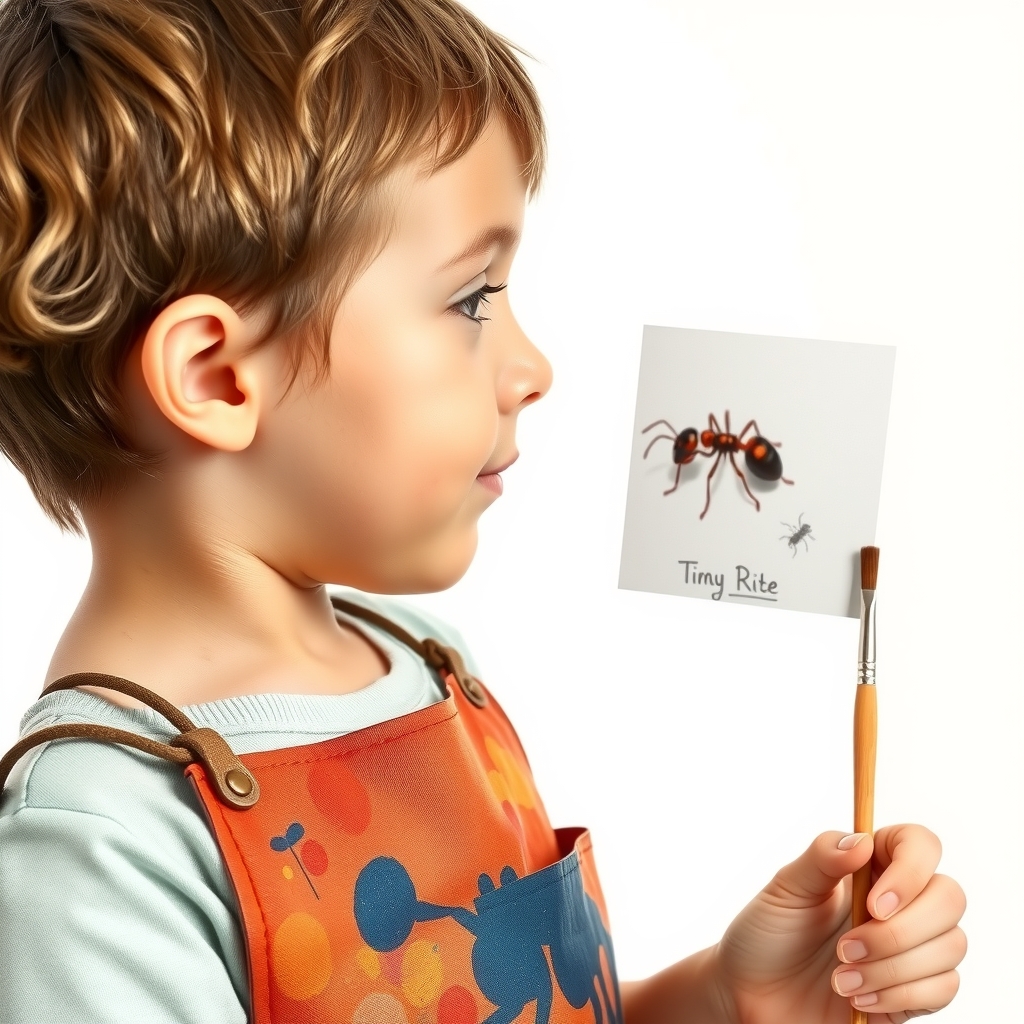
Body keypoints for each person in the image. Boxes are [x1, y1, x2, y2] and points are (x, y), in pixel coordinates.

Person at [0, 0, 965, 1021]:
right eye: (470, 300)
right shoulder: (102, 841)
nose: (532, 366)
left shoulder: (424, 663)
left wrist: (731, 999)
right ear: (218, 376)